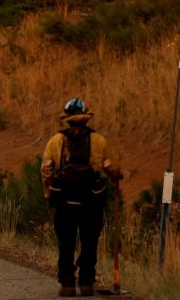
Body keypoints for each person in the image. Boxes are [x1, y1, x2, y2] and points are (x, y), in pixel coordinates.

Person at [41, 98, 122, 298]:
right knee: (89, 242)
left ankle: (67, 285)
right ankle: (86, 283)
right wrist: (116, 177)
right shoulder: (99, 141)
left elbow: (46, 168)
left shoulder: (56, 141)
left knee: (66, 243)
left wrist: (49, 193)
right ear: (87, 117)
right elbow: (112, 168)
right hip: (91, 201)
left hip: (65, 203)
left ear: (67, 119)